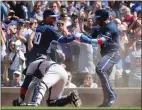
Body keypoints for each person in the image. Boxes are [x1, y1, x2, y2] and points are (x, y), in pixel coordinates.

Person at [79, 9, 121, 107]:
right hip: (106, 55)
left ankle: (112, 96)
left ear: (102, 19)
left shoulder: (111, 27)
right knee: (102, 77)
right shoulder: (100, 27)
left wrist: (86, 39)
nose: (95, 21)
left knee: (100, 69)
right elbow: (89, 37)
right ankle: (106, 101)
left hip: (113, 53)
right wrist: (78, 36)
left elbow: (101, 40)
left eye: (97, 19)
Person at [13, 54, 82, 107]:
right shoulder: (46, 63)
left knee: (42, 85)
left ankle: (35, 103)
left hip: (54, 70)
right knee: (52, 103)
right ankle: (70, 98)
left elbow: (26, 83)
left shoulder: (34, 63)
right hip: (63, 73)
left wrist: (20, 100)